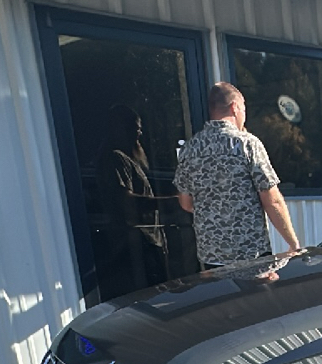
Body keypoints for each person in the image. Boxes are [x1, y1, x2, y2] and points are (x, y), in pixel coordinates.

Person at [175, 82, 301, 269]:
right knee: (255, 299)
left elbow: (185, 203)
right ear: (235, 107)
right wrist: (293, 245)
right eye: (243, 109)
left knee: (222, 299)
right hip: (251, 256)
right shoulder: (247, 144)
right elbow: (272, 200)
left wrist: (214, 212)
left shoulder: (189, 149)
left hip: (211, 258)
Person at [94, 105, 169, 301]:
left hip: (148, 242)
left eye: (139, 128)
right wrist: (169, 203)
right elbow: (126, 202)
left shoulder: (128, 159)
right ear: (119, 129)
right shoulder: (114, 158)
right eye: (135, 128)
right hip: (135, 245)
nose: (139, 133)